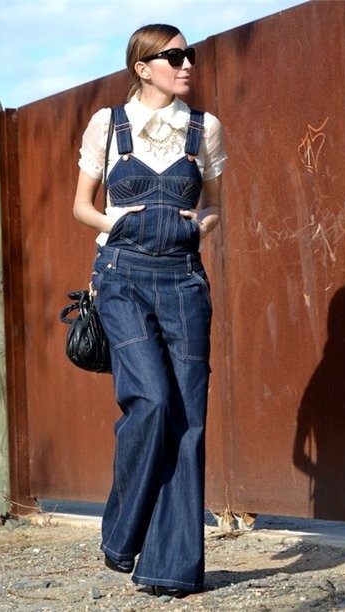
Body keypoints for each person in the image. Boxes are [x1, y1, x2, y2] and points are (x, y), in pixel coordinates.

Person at [73, 23, 227, 598]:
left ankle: (172, 568)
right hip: (122, 277)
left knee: (188, 420)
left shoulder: (204, 128)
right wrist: (117, 222)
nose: (187, 64)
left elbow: (215, 206)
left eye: (191, 55)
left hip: (184, 280)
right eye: (175, 56)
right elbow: (81, 206)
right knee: (153, 401)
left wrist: (200, 226)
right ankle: (122, 531)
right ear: (142, 67)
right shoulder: (108, 125)